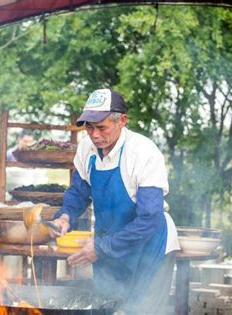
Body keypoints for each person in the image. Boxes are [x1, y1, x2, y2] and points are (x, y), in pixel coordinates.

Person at [51, 88, 180, 313]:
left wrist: (101, 248)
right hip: (109, 244)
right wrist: (65, 216)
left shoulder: (142, 152)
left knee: (140, 311)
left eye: (101, 127)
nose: (94, 135)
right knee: (106, 308)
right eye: (89, 127)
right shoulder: (87, 149)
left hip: (150, 247)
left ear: (122, 120)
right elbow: (79, 191)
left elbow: (149, 219)